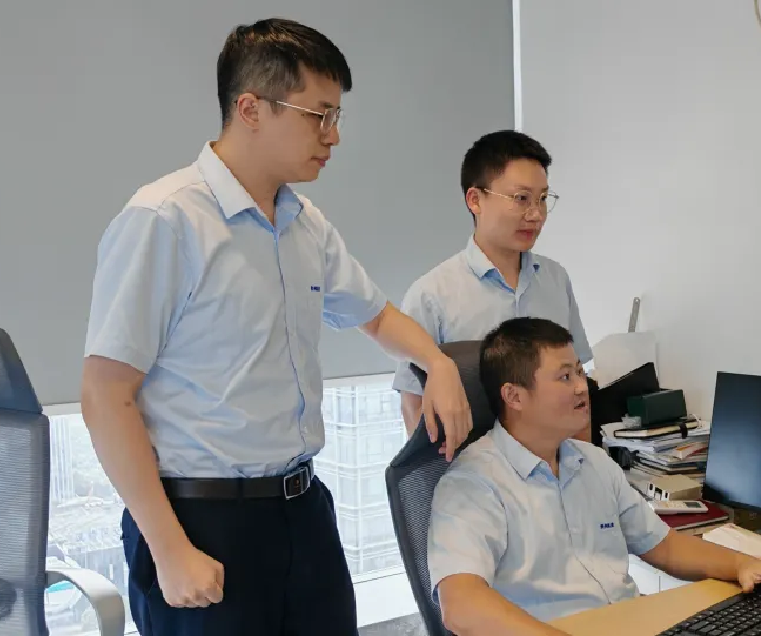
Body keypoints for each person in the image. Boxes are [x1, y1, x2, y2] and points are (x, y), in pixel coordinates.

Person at [80, 18, 472, 636]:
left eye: (337, 116)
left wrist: (439, 363)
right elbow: (105, 394)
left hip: (301, 510)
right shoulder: (165, 219)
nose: (333, 135)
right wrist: (169, 548)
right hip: (200, 520)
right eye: (319, 115)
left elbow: (374, 315)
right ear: (251, 109)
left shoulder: (303, 222)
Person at [427, 317, 761, 636]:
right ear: (514, 396)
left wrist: (741, 564)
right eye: (565, 377)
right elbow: (461, 606)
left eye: (581, 372)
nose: (583, 387)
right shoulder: (473, 483)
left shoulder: (593, 461)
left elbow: (665, 547)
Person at [392, 130, 593, 439]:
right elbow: (414, 406)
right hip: (476, 466)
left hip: (558, 464)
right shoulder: (432, 295)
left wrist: (587, 461)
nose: (536, 214)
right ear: (475, 200)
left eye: (542, 199)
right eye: (521, 199)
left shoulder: (555, 279)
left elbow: (578, 389)